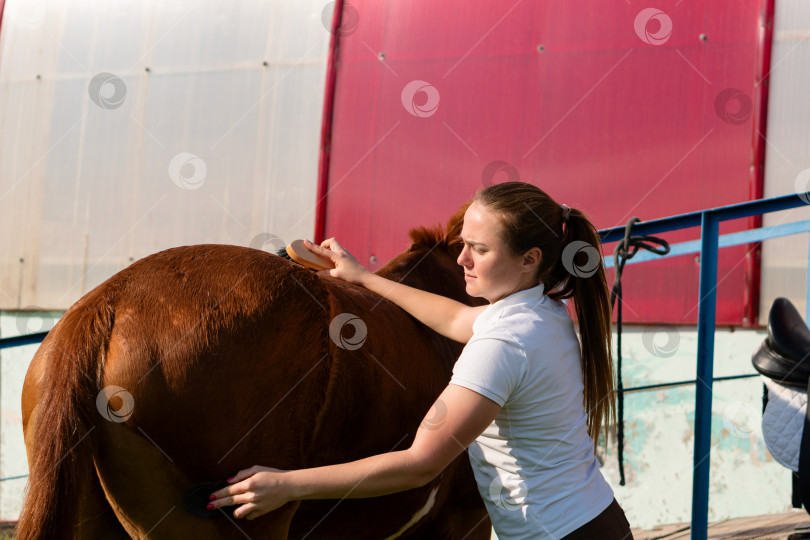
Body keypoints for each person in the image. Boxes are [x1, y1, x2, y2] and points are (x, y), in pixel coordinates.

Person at [209, 182, 633, 539]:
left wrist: (285, 486)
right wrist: (362, 277)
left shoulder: (506, 341)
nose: (462, 259)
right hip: (594, 519)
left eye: (479, 250)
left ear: (529, 259)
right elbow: (455, 317)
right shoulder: (540, 309)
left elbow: (420, 464)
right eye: (463, 243)